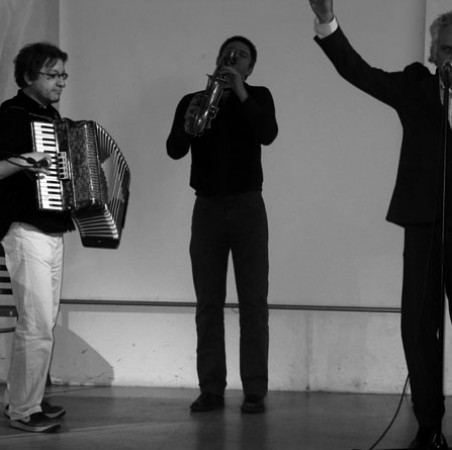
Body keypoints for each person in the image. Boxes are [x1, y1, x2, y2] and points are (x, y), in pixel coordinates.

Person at [308, 1, 452, 448]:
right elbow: (359, 72)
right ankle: (427, 422)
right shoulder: (414, 87)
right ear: (434, 50)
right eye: (446, 49)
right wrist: (327, 21)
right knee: (418, 326)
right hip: (423, 227)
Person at [0, 42, 74, 433]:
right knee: (36, 324)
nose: (61, 81)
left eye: (63, 74)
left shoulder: (50, 115)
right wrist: (22, 160)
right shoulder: (11, 116)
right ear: (29, 76)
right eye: (52, 74)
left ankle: (21, 400)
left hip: (53, 231)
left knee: (44, 322)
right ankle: (25, 412)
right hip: (25, 231)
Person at [167, 36, 278, 414]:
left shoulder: (258, 96)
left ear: (249, 68)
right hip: (208, 208)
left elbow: (268, 133)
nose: (232, 58)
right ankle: (211, 388)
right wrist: (191, 119)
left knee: (253, 303)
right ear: (216, 60)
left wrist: (241, 92)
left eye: (242, 56)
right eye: (227, 53)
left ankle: (255, 391)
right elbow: (174, 148)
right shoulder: (193, 100)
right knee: (208, 304)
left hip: (248, 206)